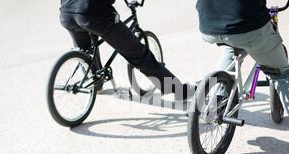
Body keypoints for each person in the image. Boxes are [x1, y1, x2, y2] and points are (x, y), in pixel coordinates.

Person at [196, 0, 289, 154]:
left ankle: (219, 101)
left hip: (208, 25)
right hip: (248, 25)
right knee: (283, 75)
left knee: (231, 43)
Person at [59, 0, 194, 100]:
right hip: (93, 14)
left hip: (66, 13)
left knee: (86, 50)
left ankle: (96, 82)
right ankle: (178, 90)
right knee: (139, 55)